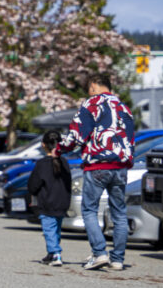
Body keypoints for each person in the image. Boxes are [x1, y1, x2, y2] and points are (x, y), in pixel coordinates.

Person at [57, 73, 134, 271]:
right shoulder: (124, 108)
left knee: (89, 210)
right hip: (120, 166)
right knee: (119, 213)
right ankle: (117, 259)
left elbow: (77, 135)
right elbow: (130, 138)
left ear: (93, 86)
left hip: (98, 164)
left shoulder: (92, 104)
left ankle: (100, 253)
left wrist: (59, 149)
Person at [28, 130, 72, 267]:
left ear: (43, 145)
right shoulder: (64, 162)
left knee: (49, 230)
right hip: (62, 201)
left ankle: (55, 253)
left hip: (47, 201)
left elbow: (34, 184)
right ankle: (51, 253)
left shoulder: (42, 164)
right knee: (56, 230)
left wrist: (32, 192)